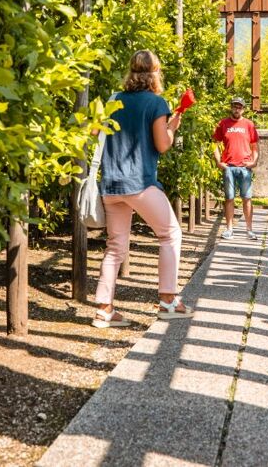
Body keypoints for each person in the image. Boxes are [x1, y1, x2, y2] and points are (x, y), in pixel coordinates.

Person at [93, 50, 195, 328]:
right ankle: (168, 300)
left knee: (115, 247)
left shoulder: (113, 101)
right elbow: (162, 145)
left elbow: (93, 133)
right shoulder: (156, 103)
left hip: (111, 185)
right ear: (155, 73)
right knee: (170, 234)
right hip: (139, 183)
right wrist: (172, 127)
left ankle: (104, 310)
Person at [213, 97, 260, 240]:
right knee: (229, 198)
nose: (237, 109)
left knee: (247, 198)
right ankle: (229, 229)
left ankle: (249, 230)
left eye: (239, 107)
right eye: (234, 106)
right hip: (229, 167)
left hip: (245, 167)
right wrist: (218, 162)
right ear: (231, 107)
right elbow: (215, 144)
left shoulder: (249, 125)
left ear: (243, 109)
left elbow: (255, 146)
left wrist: (254, 161)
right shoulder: (223, 124)